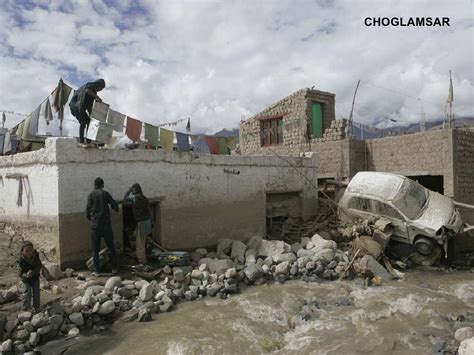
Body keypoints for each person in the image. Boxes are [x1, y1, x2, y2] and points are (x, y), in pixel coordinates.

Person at [86, 177, 119, 276]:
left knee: (95, 249)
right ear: (102, 185)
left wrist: (91, 220)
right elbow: (114, 205)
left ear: (94, 185)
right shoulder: (105, 193)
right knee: (111, 247)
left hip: (95, 226)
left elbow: (88, 209)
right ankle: (114, 268)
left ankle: (97, 271)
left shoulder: (90, 195)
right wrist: (116, 208)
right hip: (106, 226)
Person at [124, 183, 152, 270]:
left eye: (133, 190)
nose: (132, 191)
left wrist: (128, 191)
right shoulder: (145, 198)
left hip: (142, 222)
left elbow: (125, 198)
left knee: (140, 244)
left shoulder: (135, 197)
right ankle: (144, 251)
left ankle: (142, 262)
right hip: (148, 221)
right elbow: (149, 210)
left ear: (135, 191)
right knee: (138, 237)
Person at [69, 79, 106, 144]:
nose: (101, 90)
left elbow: (89, 107)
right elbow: (87, 90)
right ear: (98, 85)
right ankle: (81, 141)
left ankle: (88, 141)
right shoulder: (91, 85)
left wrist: (93, 116)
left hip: (81, 108)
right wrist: (96, 96)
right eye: (101, 88)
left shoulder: (93, 94)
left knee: (89, 122)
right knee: (83, 123)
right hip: (76, 107)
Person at [17, 241, 42, 312]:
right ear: (22, 252)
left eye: (30, 250)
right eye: (26, 251)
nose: (29, 252)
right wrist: (26, 275)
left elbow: (39, 266)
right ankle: (25, 308)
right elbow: (20, 273)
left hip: (35, 277)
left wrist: (33, 272)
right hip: (25, 279)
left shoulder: (35, 256)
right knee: (27, 292)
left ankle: (37, 307)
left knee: (36, 292)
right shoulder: (20, 261)